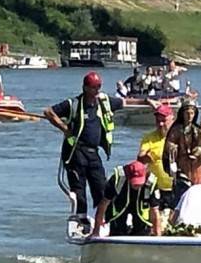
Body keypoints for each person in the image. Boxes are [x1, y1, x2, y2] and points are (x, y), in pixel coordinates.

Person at [44, 71, 152, 225]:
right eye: (94, 87)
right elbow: (48, 112)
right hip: (76, 153)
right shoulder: (73, 104)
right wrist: (65, 129)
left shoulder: (104, 102)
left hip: (93, 153)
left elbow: (126, 102)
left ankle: (103, 221)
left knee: (102, 189)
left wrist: (148, 101)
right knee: (79, 191)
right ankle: (81, 222)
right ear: (86, 88)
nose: (97, 91)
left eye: (99, 87)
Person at [162, 98, 201, 204]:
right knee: (182, 191)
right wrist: (172, 147)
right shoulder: (177, 130)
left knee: (198, 191)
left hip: (196, 166)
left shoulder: (198, 130)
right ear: (182, 114)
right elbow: (169, 144)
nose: (189, 116)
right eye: (187, 113)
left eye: (192, 113)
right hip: (183, 163)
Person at [92, 160, 162, 237]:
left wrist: (158, 236)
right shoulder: (116, 180)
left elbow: (155, 211)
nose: (137, 186)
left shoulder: (150, 182)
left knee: (142, 232)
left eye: (139, 183)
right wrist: (96, 231)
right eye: (135, 183)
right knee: (118, 231)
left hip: (140, 208)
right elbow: (103, 204)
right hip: (120, 205)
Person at [138, 104, 175, 212]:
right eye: (157, 121)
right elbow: (140, 158)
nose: (160, 124)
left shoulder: (179, 136)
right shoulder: (149, 138)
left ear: (172, 119)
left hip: (176, 188)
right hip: (156, 187)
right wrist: (146, 157)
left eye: (163, 121)